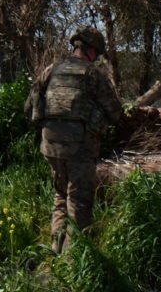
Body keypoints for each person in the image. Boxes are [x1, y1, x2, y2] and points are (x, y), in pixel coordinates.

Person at [25, 27, 122, 254]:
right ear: (90, 50)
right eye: (97, 54)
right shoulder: (93, 75)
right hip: (80, 148)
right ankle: (74, 260)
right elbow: (115, 112)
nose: (97, 58)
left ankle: (55, 251)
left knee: (60, 195)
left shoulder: (52, 70)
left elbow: (29, 106)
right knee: (78, 200)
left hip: (50, 145)